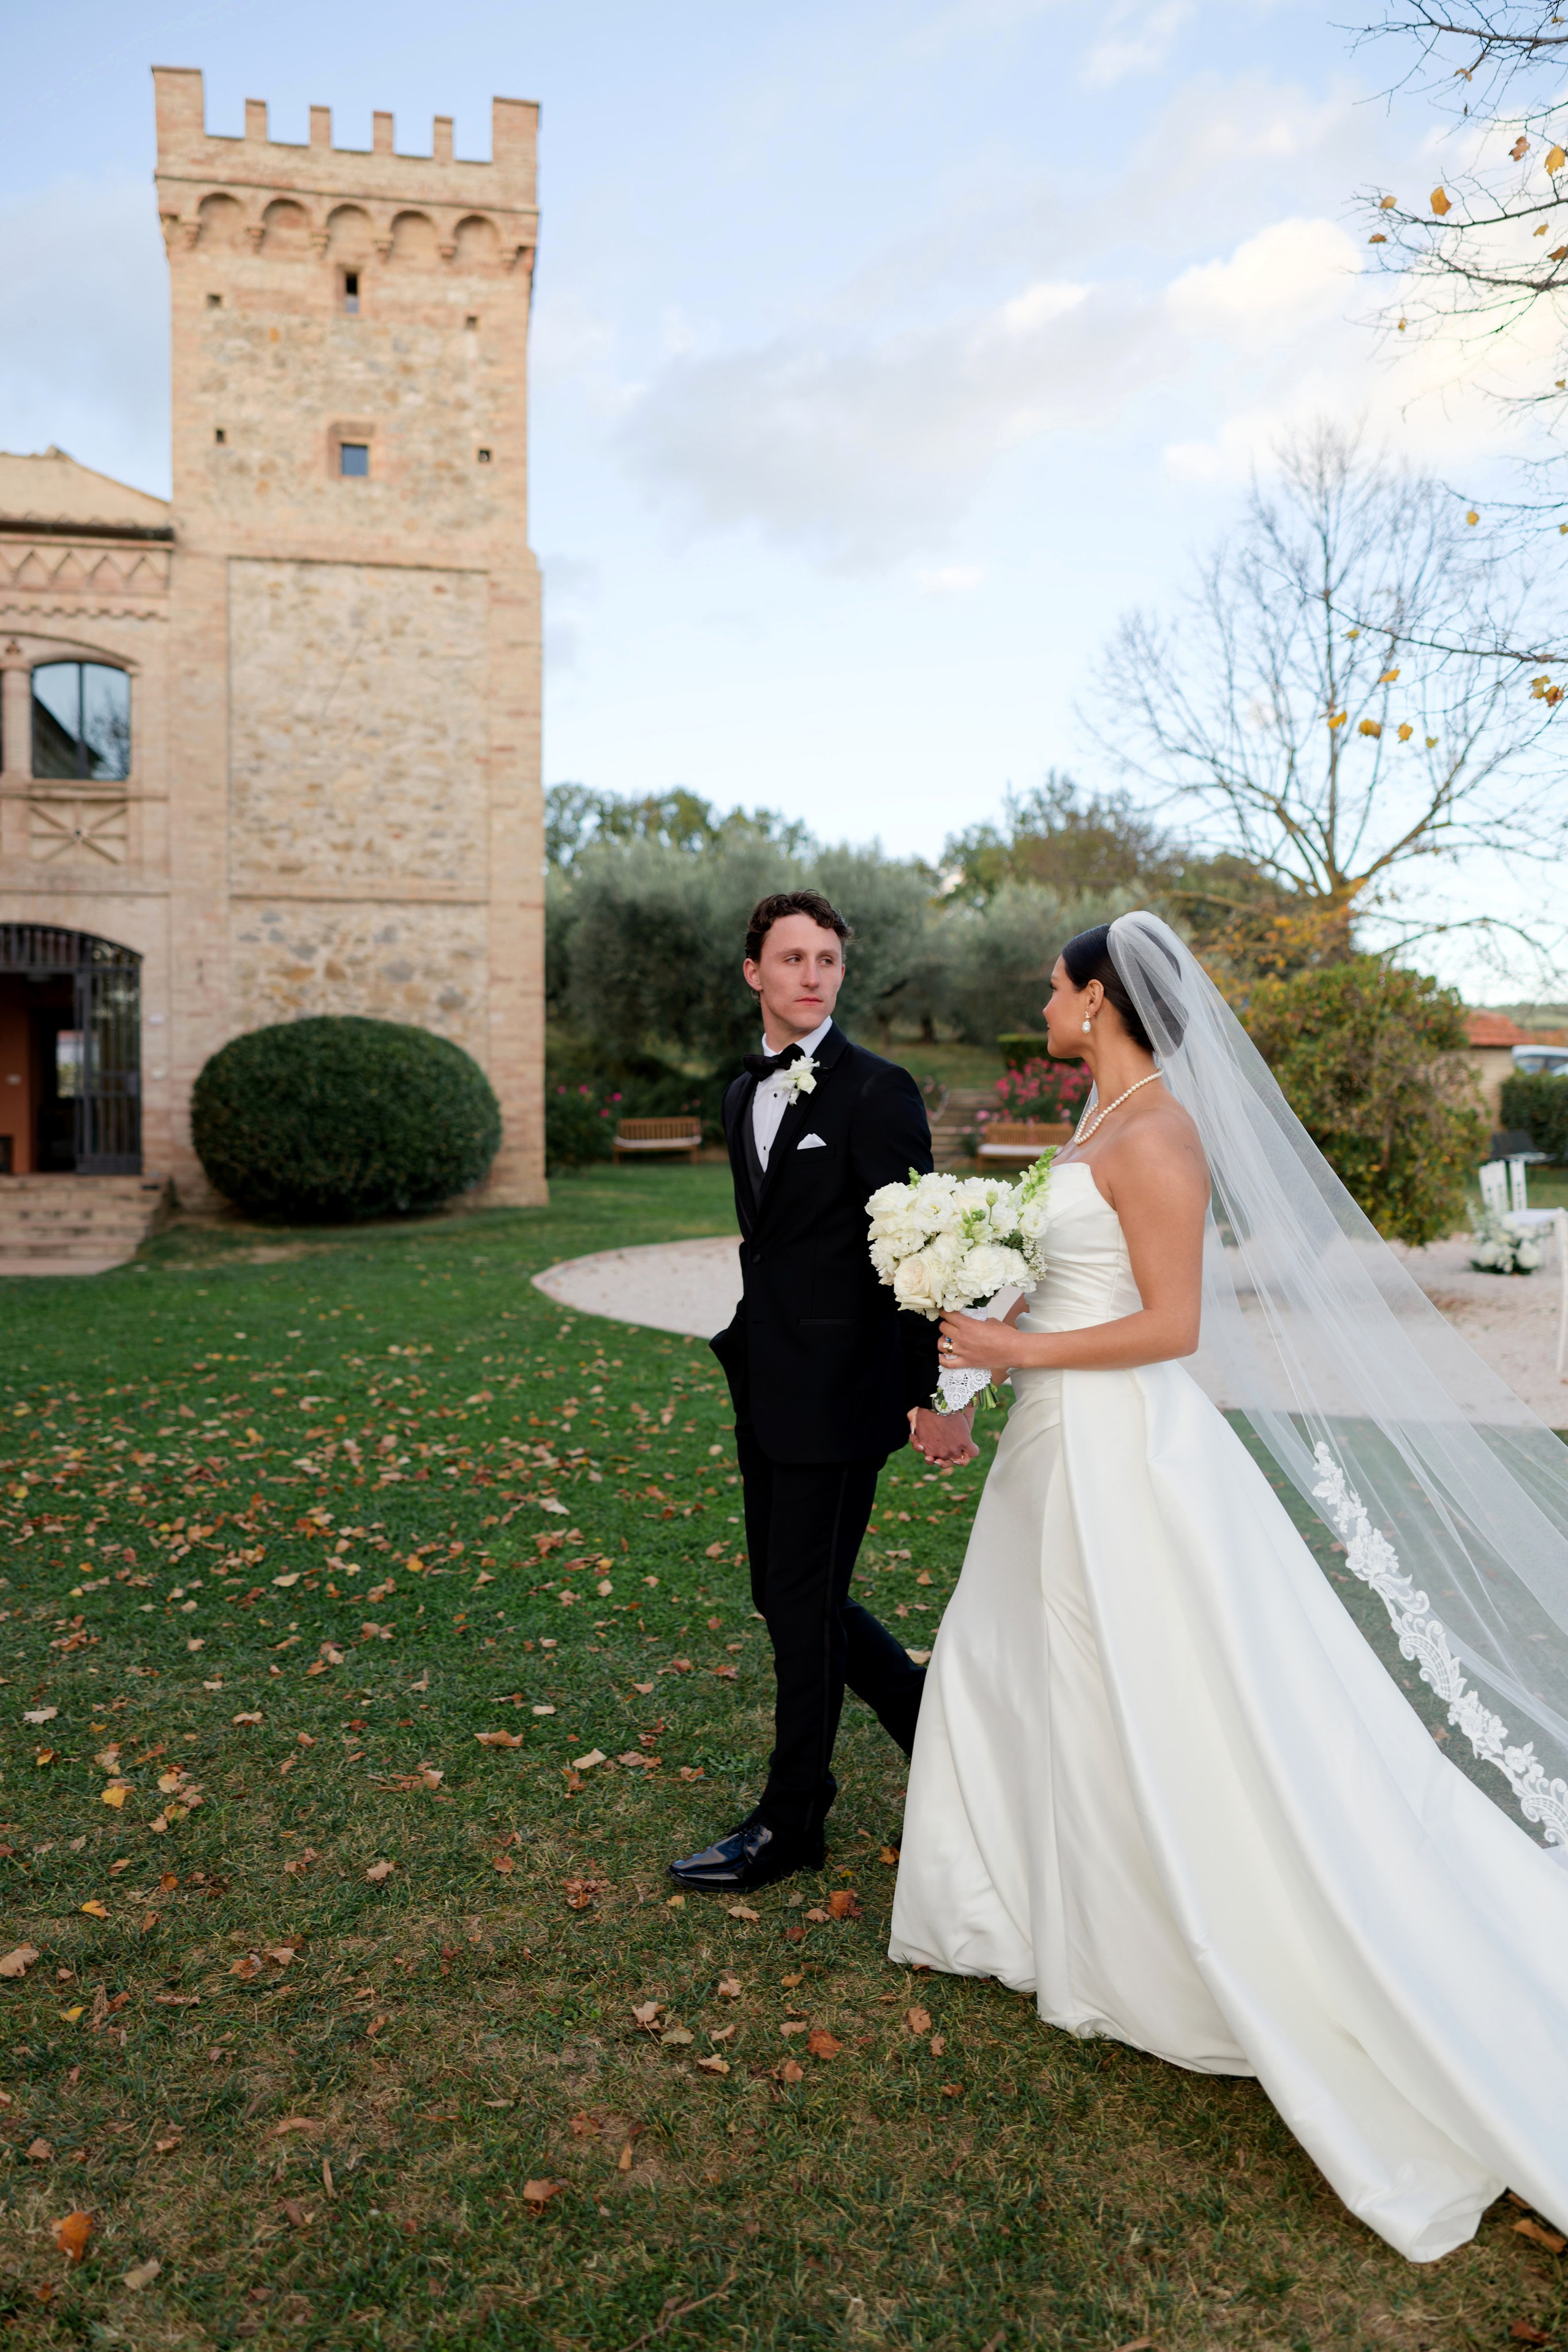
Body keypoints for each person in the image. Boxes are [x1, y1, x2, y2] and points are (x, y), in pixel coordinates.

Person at [891, 910, 1568, 2263]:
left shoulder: (1159, 1134)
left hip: (1121, 1452)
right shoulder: (1096, 1118)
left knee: (1137, 1690)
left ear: (1098, 999)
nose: (1043, 1001)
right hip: (1049, 1445)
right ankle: (1011, 1906)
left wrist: (1016, 1357)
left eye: (1053, 986)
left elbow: (1171, 1325)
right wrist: (969, 1376)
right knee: (1004, 1663)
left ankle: (1155, 1928)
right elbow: (1056, 1281)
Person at [668, 889, 976, 1896]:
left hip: (843, 1394)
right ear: (753, 972)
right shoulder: (738, 1094)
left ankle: (792, 1818)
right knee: (786, 1594)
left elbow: (921, 1253)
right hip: (766, 1380)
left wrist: (933, 1390)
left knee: (801, 1608)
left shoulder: (877, 1091)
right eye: (792, 958)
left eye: (828, 959)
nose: (812, 975)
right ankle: (931, 1726)